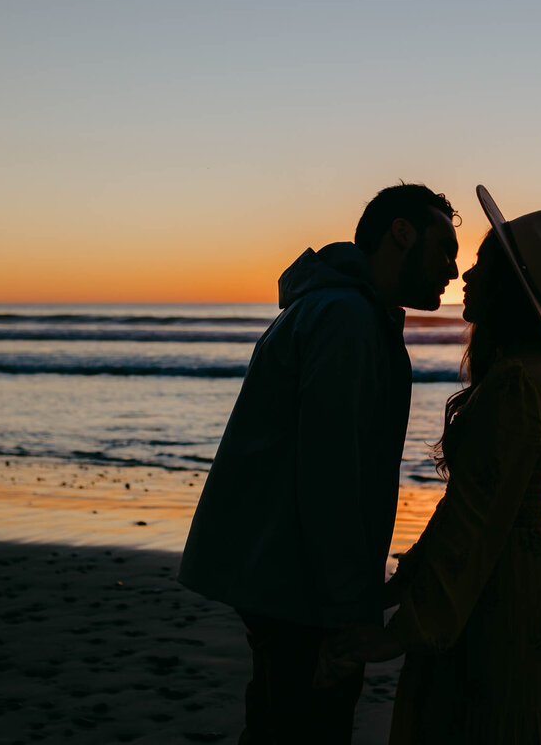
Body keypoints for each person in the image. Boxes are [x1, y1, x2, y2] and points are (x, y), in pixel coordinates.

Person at [324, 185, 541, 744]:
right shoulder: (530, 369)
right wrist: (403, 582)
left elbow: (475, 518)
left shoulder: (514, 384)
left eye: (481, 264)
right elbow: (474, 506)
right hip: (517, 574)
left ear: (508, 286)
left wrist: (403, 632)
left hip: (503, 592)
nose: (464, 276)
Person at [176, 182, 460, 744]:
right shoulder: (346, 318)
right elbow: (330, 473)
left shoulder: (339, 308)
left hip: (281, 571)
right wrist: (346, 610)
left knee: (278, 722)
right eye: (446, 248)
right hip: (297, 583)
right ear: (402, 233)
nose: (452, 270)